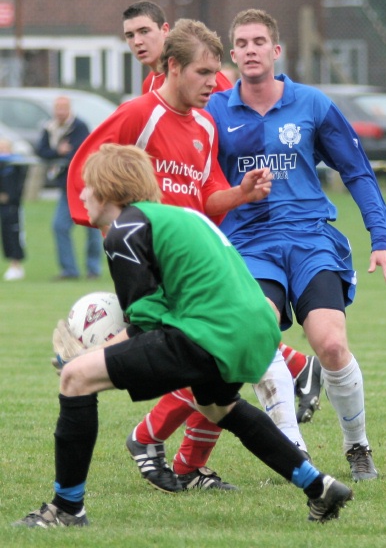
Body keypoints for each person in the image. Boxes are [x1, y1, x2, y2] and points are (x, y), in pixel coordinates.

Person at [13, 143, 353, 528]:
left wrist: (85, 358)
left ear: (108, 188)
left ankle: (66, 509)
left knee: (76, 379)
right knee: (218, 408)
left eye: (87, 186)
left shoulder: (123, 231)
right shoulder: (176, 218)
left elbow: (145, 323)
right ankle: (319, 486)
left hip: (211, 331)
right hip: (255, 331)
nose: (83, 194)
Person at [69, 12, 320, 491]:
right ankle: (295, 426)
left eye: (216, 72)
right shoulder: (139, 114)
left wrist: (242, 193)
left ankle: (179, 456)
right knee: (232, 360)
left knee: (218, 374)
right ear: (173, 68)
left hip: (193, 265)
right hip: (156, 264)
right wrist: (110, 229)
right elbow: (86, 167)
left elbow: (207, 198)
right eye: (205, 73)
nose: (216, 83)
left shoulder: (205, 125)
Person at [206, 8, 386, 482]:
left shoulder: (312, 104)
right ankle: (296, 454)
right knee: (259, 341)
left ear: (276, 51)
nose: (252, 49)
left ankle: (357, 446)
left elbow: (357, 171)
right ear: (232, 54)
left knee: (331, 345)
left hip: (310, 239)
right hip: (250, 245)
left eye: (260, 41)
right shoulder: (215, 112)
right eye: (243, 43)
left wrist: (383, 240)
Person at [35, 96, 103, 280]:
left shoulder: (79, 126)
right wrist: (58, 151)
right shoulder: (49, 128)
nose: (60, 112)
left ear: (69, 109)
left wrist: (60, 154)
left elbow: (78, 152)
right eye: (57, 108)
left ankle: (93, 269)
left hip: (86, 186)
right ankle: (70, 270)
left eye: (64, 108)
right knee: (59, 226)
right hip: (66, 188)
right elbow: (40, 151)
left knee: (93, 227)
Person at [0, 138, 27, 281]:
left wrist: (9, 196)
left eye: (4, 148)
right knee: (5, 236)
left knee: (14, 234)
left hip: (12, 206)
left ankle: (16, 265)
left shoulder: (16, 164)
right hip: (3, 207)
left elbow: (17, 188)